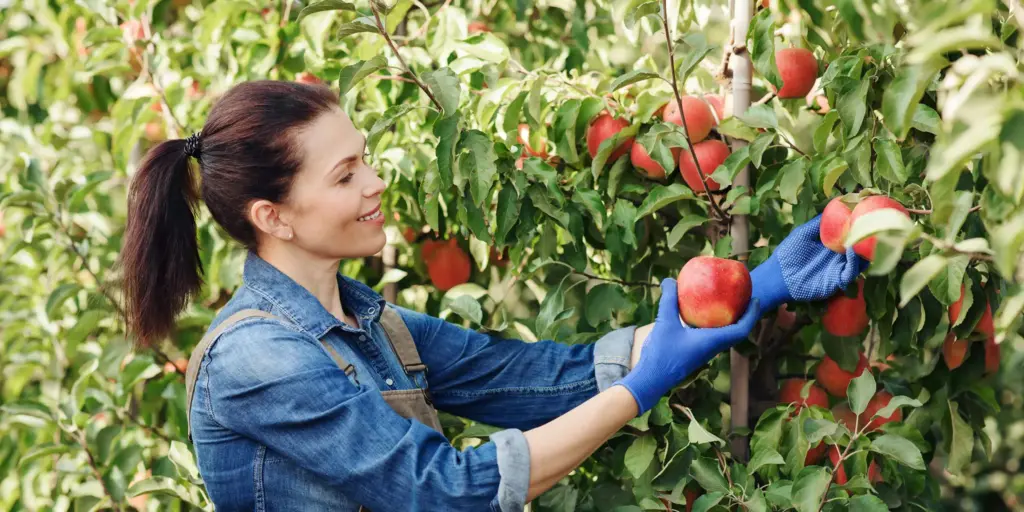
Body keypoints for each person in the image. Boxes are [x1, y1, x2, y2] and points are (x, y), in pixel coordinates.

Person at [120, 80, 865, 511]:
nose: (376, 184)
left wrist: (759, 284)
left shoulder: (375, 325)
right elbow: (445, 494)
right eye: (345, 176)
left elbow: (550, 381)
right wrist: (641, 389)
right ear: (273, 216)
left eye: (366, 162)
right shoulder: (257, 358)